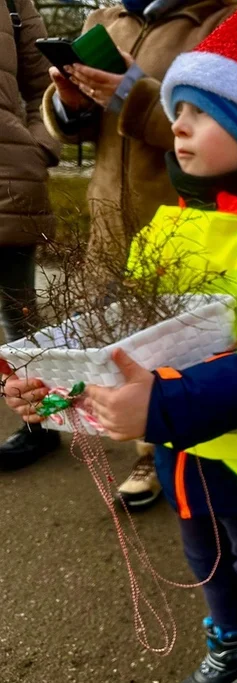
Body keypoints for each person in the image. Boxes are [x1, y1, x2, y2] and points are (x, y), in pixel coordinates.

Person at [5, 1, 237, 683]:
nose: (179, 126)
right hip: (183, 450)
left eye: (201, 112)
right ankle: (233, 644)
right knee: (206, 561)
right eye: (179, 109)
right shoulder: (173, 225)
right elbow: (128, 345)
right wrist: (51, 392)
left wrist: (159, 404)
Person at [39, 0, 237, 506]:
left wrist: (134, 92)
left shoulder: (223, 17)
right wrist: (71, 103)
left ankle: (180, 457)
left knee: (181, 349)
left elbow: (229, 128)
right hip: (109, 219)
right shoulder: (105, 21)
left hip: (181, 223)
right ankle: (147, 449)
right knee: (119, 346)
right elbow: (76, 129)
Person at [0, 0, 61, 470]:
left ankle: (40, 425)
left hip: (5, 176)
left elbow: (47, 84)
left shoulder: (14, 3)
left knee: (18, 315)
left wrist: (37, 145)